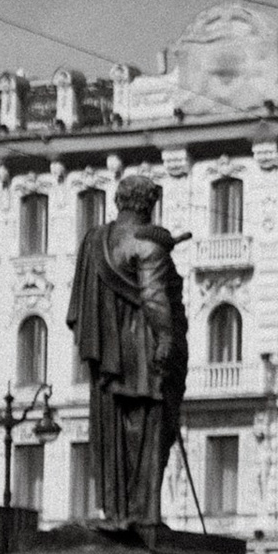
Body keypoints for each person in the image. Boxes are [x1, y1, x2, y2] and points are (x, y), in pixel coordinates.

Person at [68, 172, 186, 529]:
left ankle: (117, 511)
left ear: (119, 202)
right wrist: (166, 339)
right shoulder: (149, 245)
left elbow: (78, 309)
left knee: (113, 433)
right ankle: (143, 514)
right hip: (144, 354)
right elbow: (154, 297)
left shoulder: (93, 241)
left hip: (108, 357)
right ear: (150, 204)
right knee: (150, 432)